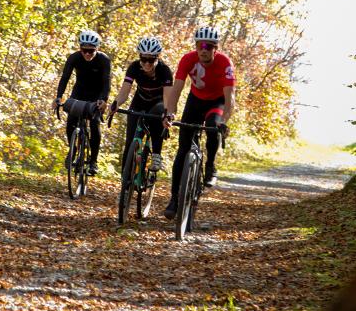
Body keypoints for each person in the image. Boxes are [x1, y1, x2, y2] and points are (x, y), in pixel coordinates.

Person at [162, 26, 235, 219]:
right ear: (196, 46)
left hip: (216, 102)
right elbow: (176, 89)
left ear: (215, 48)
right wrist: (170, 113)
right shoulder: (187, 59)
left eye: (208, 46)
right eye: (200, 46)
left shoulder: (224, 62)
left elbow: (230, 97)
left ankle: (210, 165)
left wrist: (224, 121)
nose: (204, 50)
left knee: (212, 127)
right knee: (183, 149)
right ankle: (174, 199)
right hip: (195, 101)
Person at [107, 36, 173, 175]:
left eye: (151, 60)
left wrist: (167, 114)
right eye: (144, 59)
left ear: (157, 58)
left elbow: (168, 97)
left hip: (158, 102)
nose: (147, 63)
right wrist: (115, 104)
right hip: (139, 101)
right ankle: (125, 180)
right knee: (130, 141)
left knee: (158, 113)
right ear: (139, 57)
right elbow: (124, 92)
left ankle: (156, 154)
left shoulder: (164, 71)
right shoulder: (134, 67)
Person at [53, 30, 111, 175]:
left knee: (94, 123)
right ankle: (72, 149)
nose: (87, 54)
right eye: (84, 50)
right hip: (79, 92)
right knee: (71, 120)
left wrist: (104, 100)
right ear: (80, 48)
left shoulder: (104, 60)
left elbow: (106, 82)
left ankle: (93, 161)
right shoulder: (74, 58)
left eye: (91, 51)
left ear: (97, 48)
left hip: (97, 95)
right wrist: (58, 97)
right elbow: (65, 78)